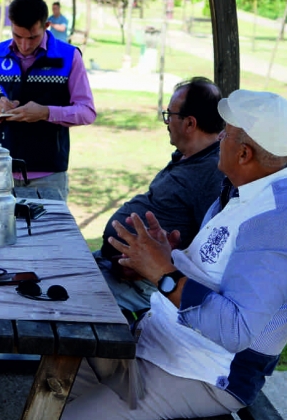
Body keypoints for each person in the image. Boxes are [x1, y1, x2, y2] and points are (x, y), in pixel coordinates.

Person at [54, 90, 287, 420]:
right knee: (53, 386)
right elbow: (217, 270)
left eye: (226, 134)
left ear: (244, 153)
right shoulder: (249, 190)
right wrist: (165, 256)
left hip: (202, 371)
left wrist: (165, 274)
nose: (219, 140)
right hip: (165, 344)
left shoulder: (281, 222)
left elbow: (236, 330)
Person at [95, 77, 225, 321]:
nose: (166, 122)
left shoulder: (212, 173)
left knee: (67, 297)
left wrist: (155, 264)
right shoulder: (189, 155)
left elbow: (209, 247)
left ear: (189, 123)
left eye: (170, 115)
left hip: (144, 284)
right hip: (119, 267)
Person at [0, 0, 95, 199]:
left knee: (49, 231)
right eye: (17, 36)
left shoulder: (69, 56)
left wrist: (46, 113)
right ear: (11, 25)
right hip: (3, 172)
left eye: (32, 37)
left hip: (49, 174)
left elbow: (87, 112)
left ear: (47, 25)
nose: (24, 45)